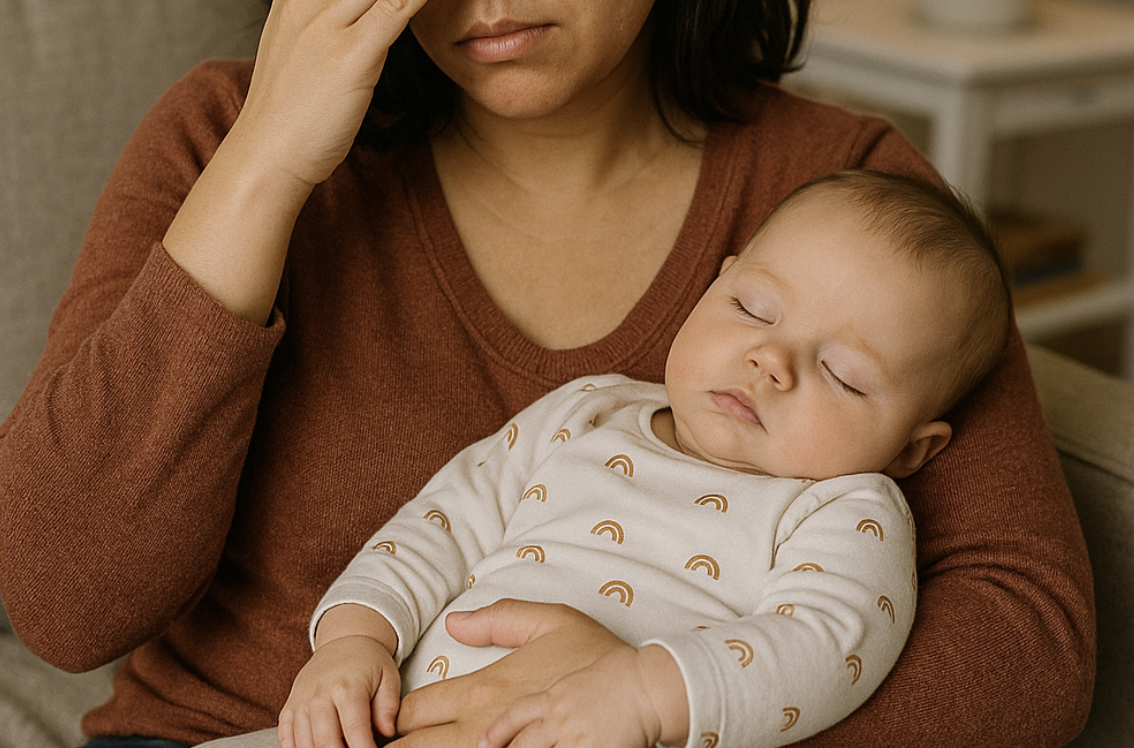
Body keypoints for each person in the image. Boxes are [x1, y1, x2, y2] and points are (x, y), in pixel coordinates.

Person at [0, 0, 1092, 746]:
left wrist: (653, 711)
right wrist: (268, 162)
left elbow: (1027, 645)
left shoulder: (846, 208)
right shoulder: (220, 137)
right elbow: (64, 602)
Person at [272, 170, 1011, 748]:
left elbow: (825, 646)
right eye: (753, 309)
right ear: (714, 283)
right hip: (391, 720)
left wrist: (643, 695)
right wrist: (353, 641)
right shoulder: (588, 410)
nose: (770, 361)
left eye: (843, 374)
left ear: (913, 447)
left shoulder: (843, 508)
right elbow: (440, 523)